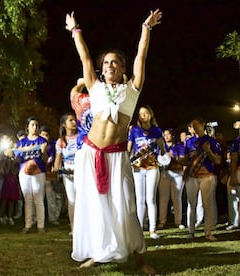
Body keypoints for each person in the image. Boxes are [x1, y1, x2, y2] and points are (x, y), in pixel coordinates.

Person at [65, 9, 162, 273]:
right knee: (94, 207)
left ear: (122, 68)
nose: (110, 66)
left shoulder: (132, 91)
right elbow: (84, 56)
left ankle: (140, 258)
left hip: (117, 157)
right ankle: (97, 253)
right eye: (106, 63)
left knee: (127, 207)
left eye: (115, 63)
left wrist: (146, 27)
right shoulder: (94, 87)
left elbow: (141, 56)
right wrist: (75, 30)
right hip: (90, 153)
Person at [128, 105, 164, 239]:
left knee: (151, 198)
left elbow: (162, 150)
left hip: (152, 167)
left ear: (151, 114)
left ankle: (152, 230)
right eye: (141, 113)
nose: (143, 115)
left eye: (146, 113)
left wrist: (162, 153)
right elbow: (128, 149)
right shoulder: (134, 131)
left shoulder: (157, 130)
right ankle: (139, 228)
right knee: (140, 199)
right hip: (138, 168)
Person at [184, 118, 222, 241]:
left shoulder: (211, 141)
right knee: (191, 204)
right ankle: (191, 231)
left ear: (202, 125)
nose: (194, 127)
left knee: (207, 204)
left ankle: (208, 232)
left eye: (196, 125)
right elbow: (186, 159)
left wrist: (208, 151)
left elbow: (217, 160)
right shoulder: (189, 142)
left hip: (207, 175)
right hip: (192, 176)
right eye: (192, 125)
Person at [10, 116, 47, 234]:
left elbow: (43, 154)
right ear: (27, 127)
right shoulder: (22, 141)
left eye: (36, 125)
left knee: (39, 199)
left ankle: (40, 225)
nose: (35, 127)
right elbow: (16, 155)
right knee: (28, 199)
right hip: (24, 172)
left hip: (38, 171)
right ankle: (28, 224)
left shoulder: (42, 140)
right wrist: (15, 152)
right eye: (32, 125)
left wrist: (23, 150)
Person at [53, 112, 78, 232]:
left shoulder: (81, 137)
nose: (74, 122)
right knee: (71, 201)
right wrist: (56, 168)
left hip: (81, 173)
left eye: (74, 120)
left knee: (82, 200)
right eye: (70, 120)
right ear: (64, 125)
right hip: (68, 175)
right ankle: (74, 228)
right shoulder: (61, 141)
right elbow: (58, 159)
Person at [157, 128, 185, 230]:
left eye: (168, 134)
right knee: (163, 199)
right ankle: (162, 221)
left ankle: (178, 221)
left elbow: (183, 159)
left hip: (177, 173)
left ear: (172, 135)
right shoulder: (161, 147)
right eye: (165, 135)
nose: (166, 136)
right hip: (165, 173)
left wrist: (174, 157)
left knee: (176, 198)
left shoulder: (179, 146)